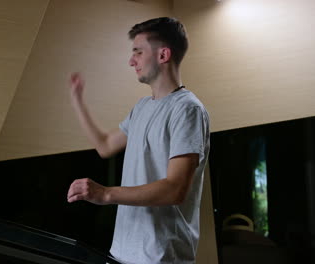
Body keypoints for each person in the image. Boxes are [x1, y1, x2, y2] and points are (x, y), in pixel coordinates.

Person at [67, 17, 210, 264]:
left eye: (138, 52)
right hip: (123, 253)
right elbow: (105, 145)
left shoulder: (188, 110)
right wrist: (76, 101)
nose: (131, 61)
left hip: (161, 258)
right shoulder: (142, 107)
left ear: (163, 55)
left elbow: (175, 189)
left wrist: (106, 194)